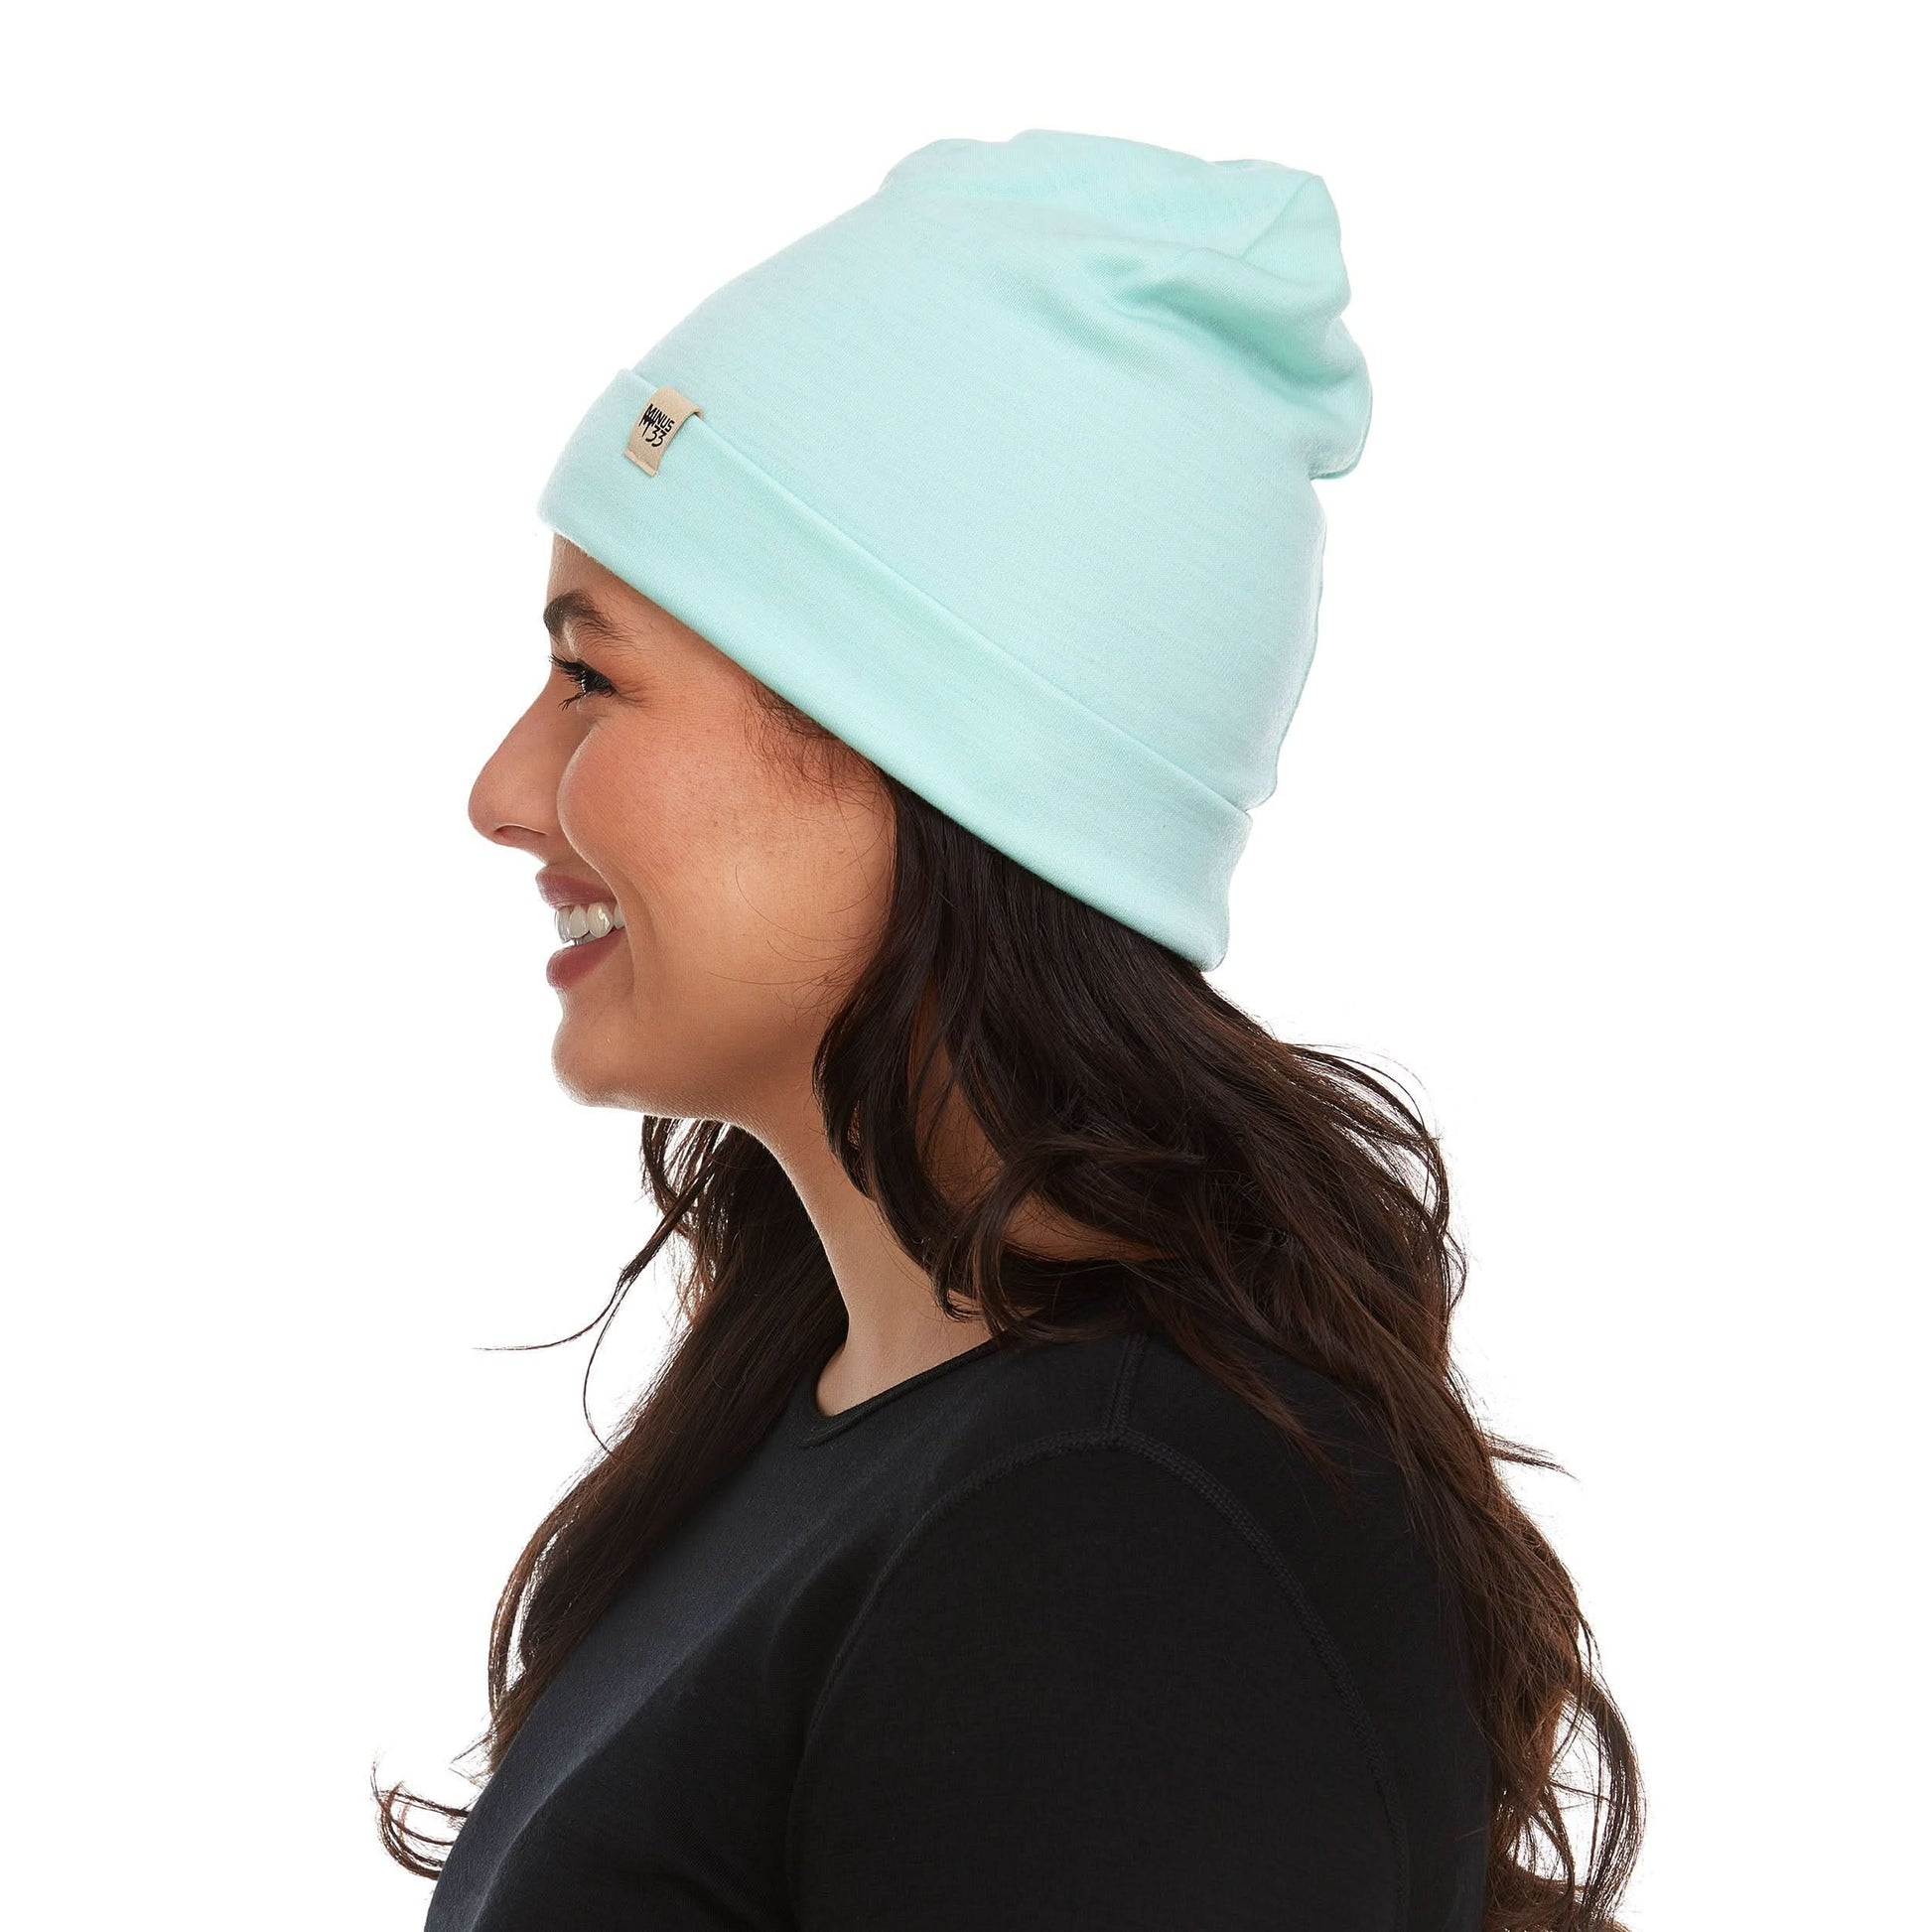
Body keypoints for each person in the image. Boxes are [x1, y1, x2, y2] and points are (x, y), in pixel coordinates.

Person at [377, 127, 1643, 1931]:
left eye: (592, 674)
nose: (503, 790)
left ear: (927, 745)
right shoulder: (860, 1436)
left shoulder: (1114, 1540)